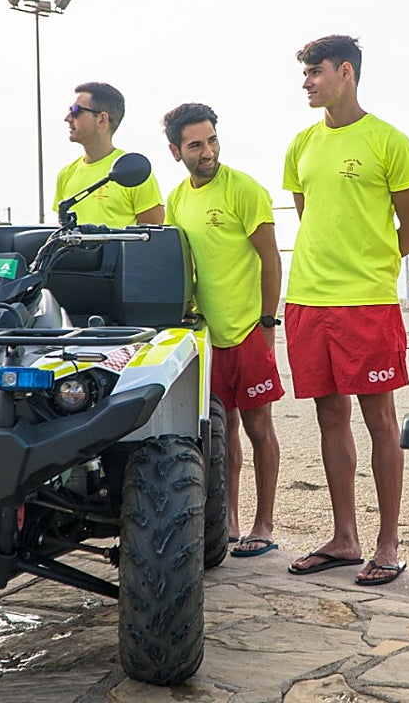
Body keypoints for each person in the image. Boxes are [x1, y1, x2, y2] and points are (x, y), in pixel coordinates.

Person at [282, 35, 409, 586]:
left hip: (366, 302)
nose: (307, 82)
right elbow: (311, 216)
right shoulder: (300, 144)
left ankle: (388, 543)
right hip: (307, 299)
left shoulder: (390, 141)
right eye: (304, 73)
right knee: (329, 418)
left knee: (381, 421)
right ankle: (345, 538)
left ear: (346, 72)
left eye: (315, 71)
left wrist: (368, 262)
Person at [162, 102, 284, 557]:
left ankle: (263, 524)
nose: (208, 151)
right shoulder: (177, 199)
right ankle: (227, 519)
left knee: (258, 428)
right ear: (176, 151)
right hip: (207, 337)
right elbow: (181, 268)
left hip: (248, 330)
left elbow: (271, 260)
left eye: (212, 140)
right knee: (219, 431)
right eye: (196, 145)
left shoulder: (244, 190)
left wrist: (267, 323)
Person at [55, 82, 164, 226]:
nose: (67, 118)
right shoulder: (66, 174)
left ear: (102, 119)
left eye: (76, 111)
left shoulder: (135, 172)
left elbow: (154, 234)